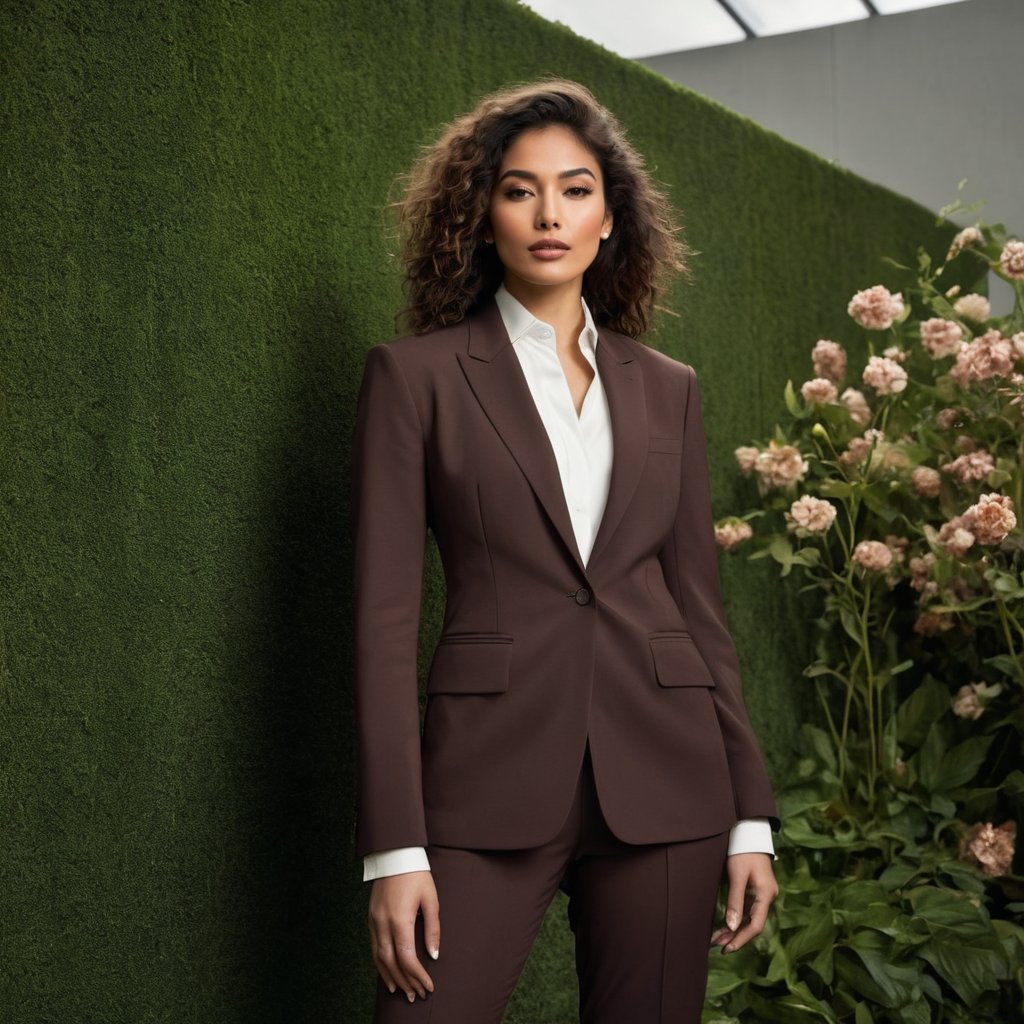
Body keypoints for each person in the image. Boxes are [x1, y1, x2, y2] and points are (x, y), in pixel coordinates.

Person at [351, 79, 779, 1024]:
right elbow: (381, 628)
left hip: (669, 780)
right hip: (483, 781)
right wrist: (395, 848)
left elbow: (698, 610)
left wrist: (751, 814)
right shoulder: (414, 378)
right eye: (520, 189)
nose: (550, 213)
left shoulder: (668, 388)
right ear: (482, 214)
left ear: (610, 218)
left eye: (576, 189)